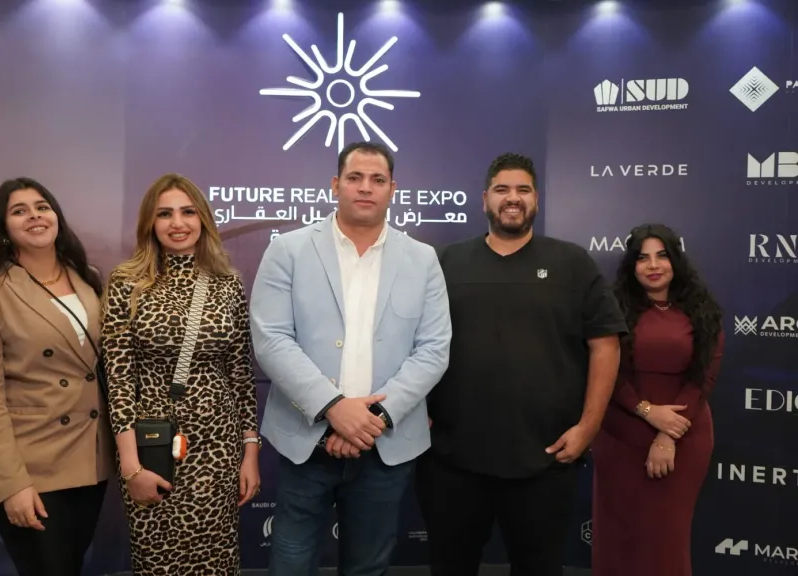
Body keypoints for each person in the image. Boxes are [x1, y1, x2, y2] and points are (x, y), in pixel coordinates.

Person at [415, 153, 627, 576]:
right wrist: (416, 410)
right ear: (484, 200)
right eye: (502, 189)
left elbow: (606, 345)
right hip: (452, 460)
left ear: (536, 200)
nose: (512, 198)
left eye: (523, 190)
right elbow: (411, 341)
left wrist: (588, 428)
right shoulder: (445, 262)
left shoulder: (572, 263)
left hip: (546, 459)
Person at [250, 141, 451, 576]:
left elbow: (434, 350)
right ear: (335, 184)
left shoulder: (422, 259)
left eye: (377, 180)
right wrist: (334, 408)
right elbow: (271, 339)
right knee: (290, 563)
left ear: (392, 189)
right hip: (306, 442)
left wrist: (369, 419)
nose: (365, 187)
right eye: (355, 177)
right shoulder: (288, 250)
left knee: (368, 566)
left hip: (386, 446)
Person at [0, 177, 113, 576]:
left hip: (88, 460)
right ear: (3, 228)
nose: (34, 216)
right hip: (28, 465)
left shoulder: (86, 277)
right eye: (20, 211)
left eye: (42, 207)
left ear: (56, 217)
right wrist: (12, 484)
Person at [101, 173, 260, 575]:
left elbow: (241, 375)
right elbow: (119, 379)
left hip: (218, 447)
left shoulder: (227, 284)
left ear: (202, 219)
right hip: (152, 446)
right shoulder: (126, 283)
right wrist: (131, 466)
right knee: (158, 560)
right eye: (165, 214)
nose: (177, 223)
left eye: (188, 212)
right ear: (150, 223)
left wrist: (250, 455)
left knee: (217, 560)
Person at [591, 223, 724, 576]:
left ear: (675, 260)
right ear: (632, 266)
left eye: (662, 256)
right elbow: (606, 369)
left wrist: (667, 434)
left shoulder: (703, 311)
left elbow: (703, 377)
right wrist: (646, 411)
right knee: (618, 538)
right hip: (620, 434)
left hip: (684, 436)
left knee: (665, 539)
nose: (653, 265)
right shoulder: (611, 308)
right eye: (643, 257)